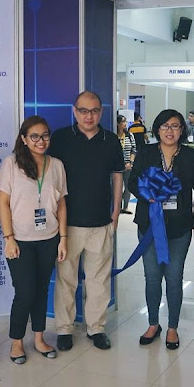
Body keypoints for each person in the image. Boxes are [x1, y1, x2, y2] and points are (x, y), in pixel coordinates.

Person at [48, 91, 124, 351]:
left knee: (99, 280)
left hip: (101, 222)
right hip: (67, 224)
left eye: (94, 111)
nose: (88, 116)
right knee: (66, 279)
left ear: (101, 112)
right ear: (74, 111)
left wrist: (116, 211)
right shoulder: (60, 138)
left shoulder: (110, 140)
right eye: (83, 110)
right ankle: (64, 329)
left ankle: (96, 328)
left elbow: (117, 176)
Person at [0, 116, 68, 364]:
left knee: (41, 291)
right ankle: (17, 341)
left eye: (45, 135)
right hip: (20, 240)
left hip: (48, 239)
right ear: (24, 139)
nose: (41, 141)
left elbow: (61, 204)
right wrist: (9, 238)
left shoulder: (56, 165)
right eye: (34, 136)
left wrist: (63, 238)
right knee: (25, 292)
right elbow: (3, 203)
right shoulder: (11, 164)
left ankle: (39, 339)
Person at [129, 109, 194, 350]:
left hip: (179, 228)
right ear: (157, 129)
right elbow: (133, 181)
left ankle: (172, 327)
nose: (170, 130)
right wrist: (148, 194)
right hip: (149, 225)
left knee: (174, 277)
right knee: (152, 277)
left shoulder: (191, 156)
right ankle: (153, 323)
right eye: (165, 126)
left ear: (182, 130)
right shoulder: (146, 152)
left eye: (175, 126)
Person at [117, 114, 137, 214]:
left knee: (128, 186)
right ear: (117, 124)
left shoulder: (129, 135)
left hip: (128, 165)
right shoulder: (114, 136)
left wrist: (130, 162)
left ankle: (125, 206)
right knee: (117, 187)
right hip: (116, 166)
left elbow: (134, 150)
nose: (125, 124)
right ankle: (118, 207)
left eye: (125, 122)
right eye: (122, 122)